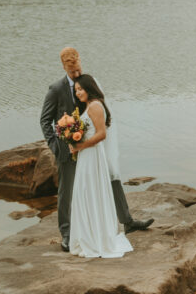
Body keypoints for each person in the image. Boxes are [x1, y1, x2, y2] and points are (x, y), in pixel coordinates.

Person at [40, 46, 153, 252]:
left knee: (111, 177)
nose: (76, 76)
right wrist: (55, 146)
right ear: (64, 67)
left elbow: (101, 112)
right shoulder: (55, 89)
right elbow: (45, 120)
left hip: (91, 145)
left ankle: (126, 220)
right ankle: (66, 232)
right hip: (68, 149)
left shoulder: (88, 83)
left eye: (78, 70)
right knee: (67, 191)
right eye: (72, 72)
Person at [70, 74, 133, 258]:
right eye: (76, 90)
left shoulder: (96, 106)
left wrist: (80, 145)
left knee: (90, 193)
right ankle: (89, 235)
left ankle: (96, 239)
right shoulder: (89, 106)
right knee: (85, 194)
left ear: (89, 88)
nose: (78, 93)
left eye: (80, 89)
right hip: (86, 156)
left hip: (92, 155)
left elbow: (101, 134)